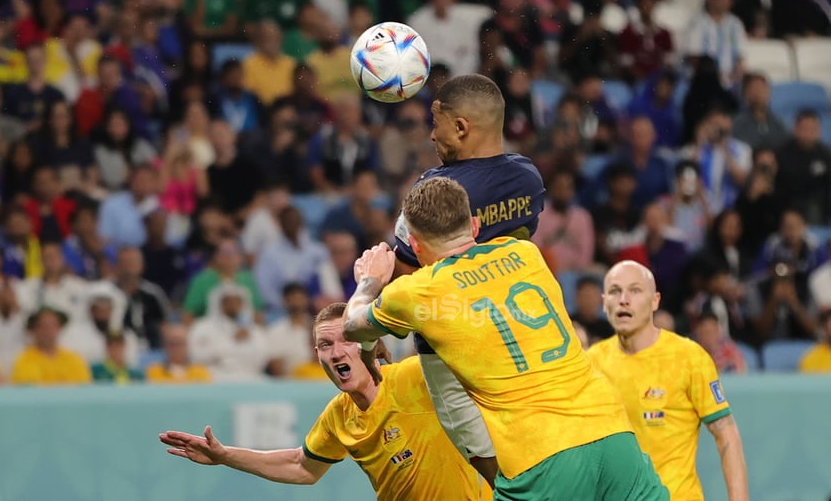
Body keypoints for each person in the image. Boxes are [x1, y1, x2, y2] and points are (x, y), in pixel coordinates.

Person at [344, 177, 667, 501]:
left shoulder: (416, 292)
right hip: (612, 430)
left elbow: (353, 326)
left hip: (541, 455)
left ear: (414, 245)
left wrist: (369, 281)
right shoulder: (525, 252)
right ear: (473, 225)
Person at [159, 303, 486, 501]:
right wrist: (225, 455)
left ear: (366, 342)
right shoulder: (339, 417)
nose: (336, 352)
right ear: (318, 356)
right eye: (325, 344)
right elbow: (302, 466)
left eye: (346, 339)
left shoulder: (416, 377)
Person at [389, 73, 545, 485]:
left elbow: (405, 273)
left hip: (451, 348)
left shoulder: (434, 190)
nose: (430, 134)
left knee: (497, 474)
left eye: (435, 122)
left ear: (460, 127)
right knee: (530, 457)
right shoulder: (528, 178)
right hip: (512, 340)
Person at [588, 260, 749, 501]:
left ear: (655, 301)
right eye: (614, 291)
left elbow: (726, 433)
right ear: (604, 302)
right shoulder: (590, 364)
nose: (623, 299)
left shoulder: (688, 357)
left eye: (635, 290)